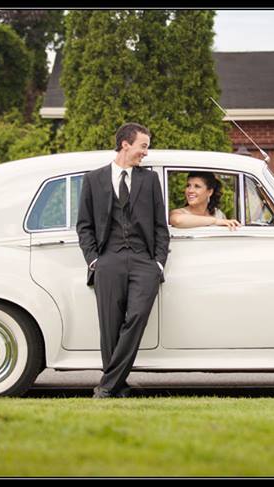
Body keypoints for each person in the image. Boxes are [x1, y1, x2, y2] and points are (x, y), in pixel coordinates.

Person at [76, 122, 169, 399]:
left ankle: (107, 385)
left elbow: (160, 226)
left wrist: (158, 264)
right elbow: (84, 226)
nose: (146, 153)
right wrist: (94, 261)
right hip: (108, 260)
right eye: (143, 146)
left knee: (137, 316)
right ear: (125, 144)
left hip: (143, 261)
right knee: (110, 325)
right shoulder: (93, 180)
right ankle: (118, 386)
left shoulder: (149, 180)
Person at [169, 172, 241, 230]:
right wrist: (215, 221)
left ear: (210, 192)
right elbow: (177, 221)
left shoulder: (218, 214)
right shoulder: (179, 213)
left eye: (197, 186)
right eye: (188, 185)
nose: (190, 190)